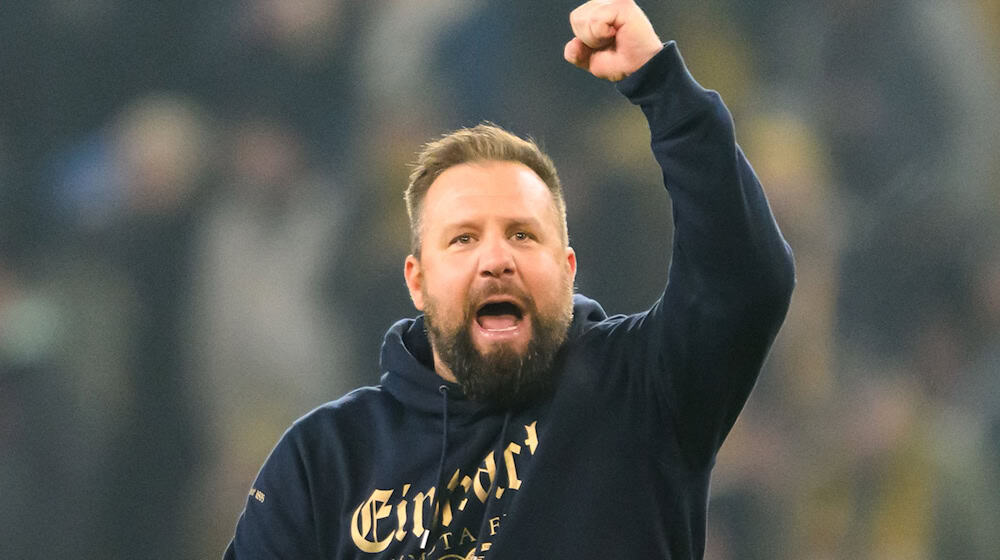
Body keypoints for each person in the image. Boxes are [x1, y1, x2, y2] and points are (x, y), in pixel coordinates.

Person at [224, 1, 795, 558]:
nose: (496, 260)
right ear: (417, 281)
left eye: (522, 234)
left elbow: (745, 281)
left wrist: (662, 84)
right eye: (463, 239)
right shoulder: (323, 461)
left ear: (568, 269)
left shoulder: (641, 389)